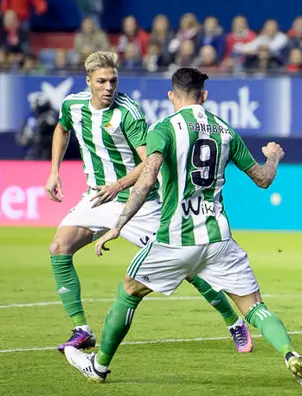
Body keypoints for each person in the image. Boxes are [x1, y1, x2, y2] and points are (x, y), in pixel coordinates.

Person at [62, 67, 302, 393]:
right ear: (204, 96)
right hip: (219, 239)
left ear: (172, 96)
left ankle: (99, 365)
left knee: (129, 291)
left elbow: (147, 179)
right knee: (255, 307)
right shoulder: (224, 129)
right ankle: (291, 355)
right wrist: (273, 157)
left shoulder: (165, 128)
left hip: (175, 239)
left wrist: (117, 225)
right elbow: (263, 179)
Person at [45, 51, 253, 355]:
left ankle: (232, 320)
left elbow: (149, 165)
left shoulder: (128, 113)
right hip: (96, 197)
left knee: (189, 269)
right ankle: (82, 329)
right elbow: (62, 128)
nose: (108, 87)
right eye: (101, 81)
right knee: (59, 248)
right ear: (88, 81)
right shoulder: (73, 105)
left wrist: (118, 185)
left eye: (113, 80)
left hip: (137, 204)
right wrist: (54, 171)